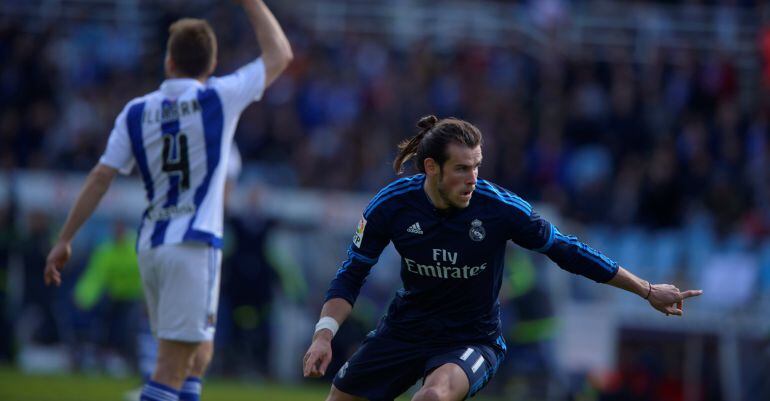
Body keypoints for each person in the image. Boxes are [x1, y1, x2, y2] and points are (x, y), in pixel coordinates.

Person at [303, 116, 703, 401]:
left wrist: (646, 290)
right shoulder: (391, 206)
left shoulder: (499, 209)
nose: (473, 178)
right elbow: (352, 272)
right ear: (431, 167)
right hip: (404, 331)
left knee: (432, 398)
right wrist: (324, 335)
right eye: (461, 169)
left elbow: (568, 251)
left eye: (477, 166)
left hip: (471, 339)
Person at [43, 1, 292, 400]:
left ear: (169, 61)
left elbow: (101, 176)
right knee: (170, 369)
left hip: (153, 245)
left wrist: (65, 237)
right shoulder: (219, 97)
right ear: (210, 65)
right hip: (193, 246)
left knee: (197, 357)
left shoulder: (136, 111)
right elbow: (280, 54)